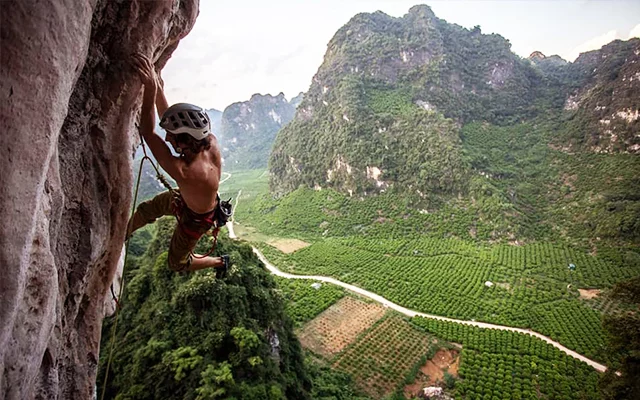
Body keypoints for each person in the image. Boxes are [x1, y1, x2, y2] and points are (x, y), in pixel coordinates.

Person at [127, 53, 229, 274]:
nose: (167, 138)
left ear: (185, 141)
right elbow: (168, 123)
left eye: (172, 136)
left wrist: (150, 89)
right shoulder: (209, 142)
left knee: (177, 263)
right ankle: (121, 236)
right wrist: (158, 89)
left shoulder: (187, 172)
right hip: (185, 200)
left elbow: (147, 132)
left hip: (196, 220)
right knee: (147, 209)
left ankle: (221, 261)